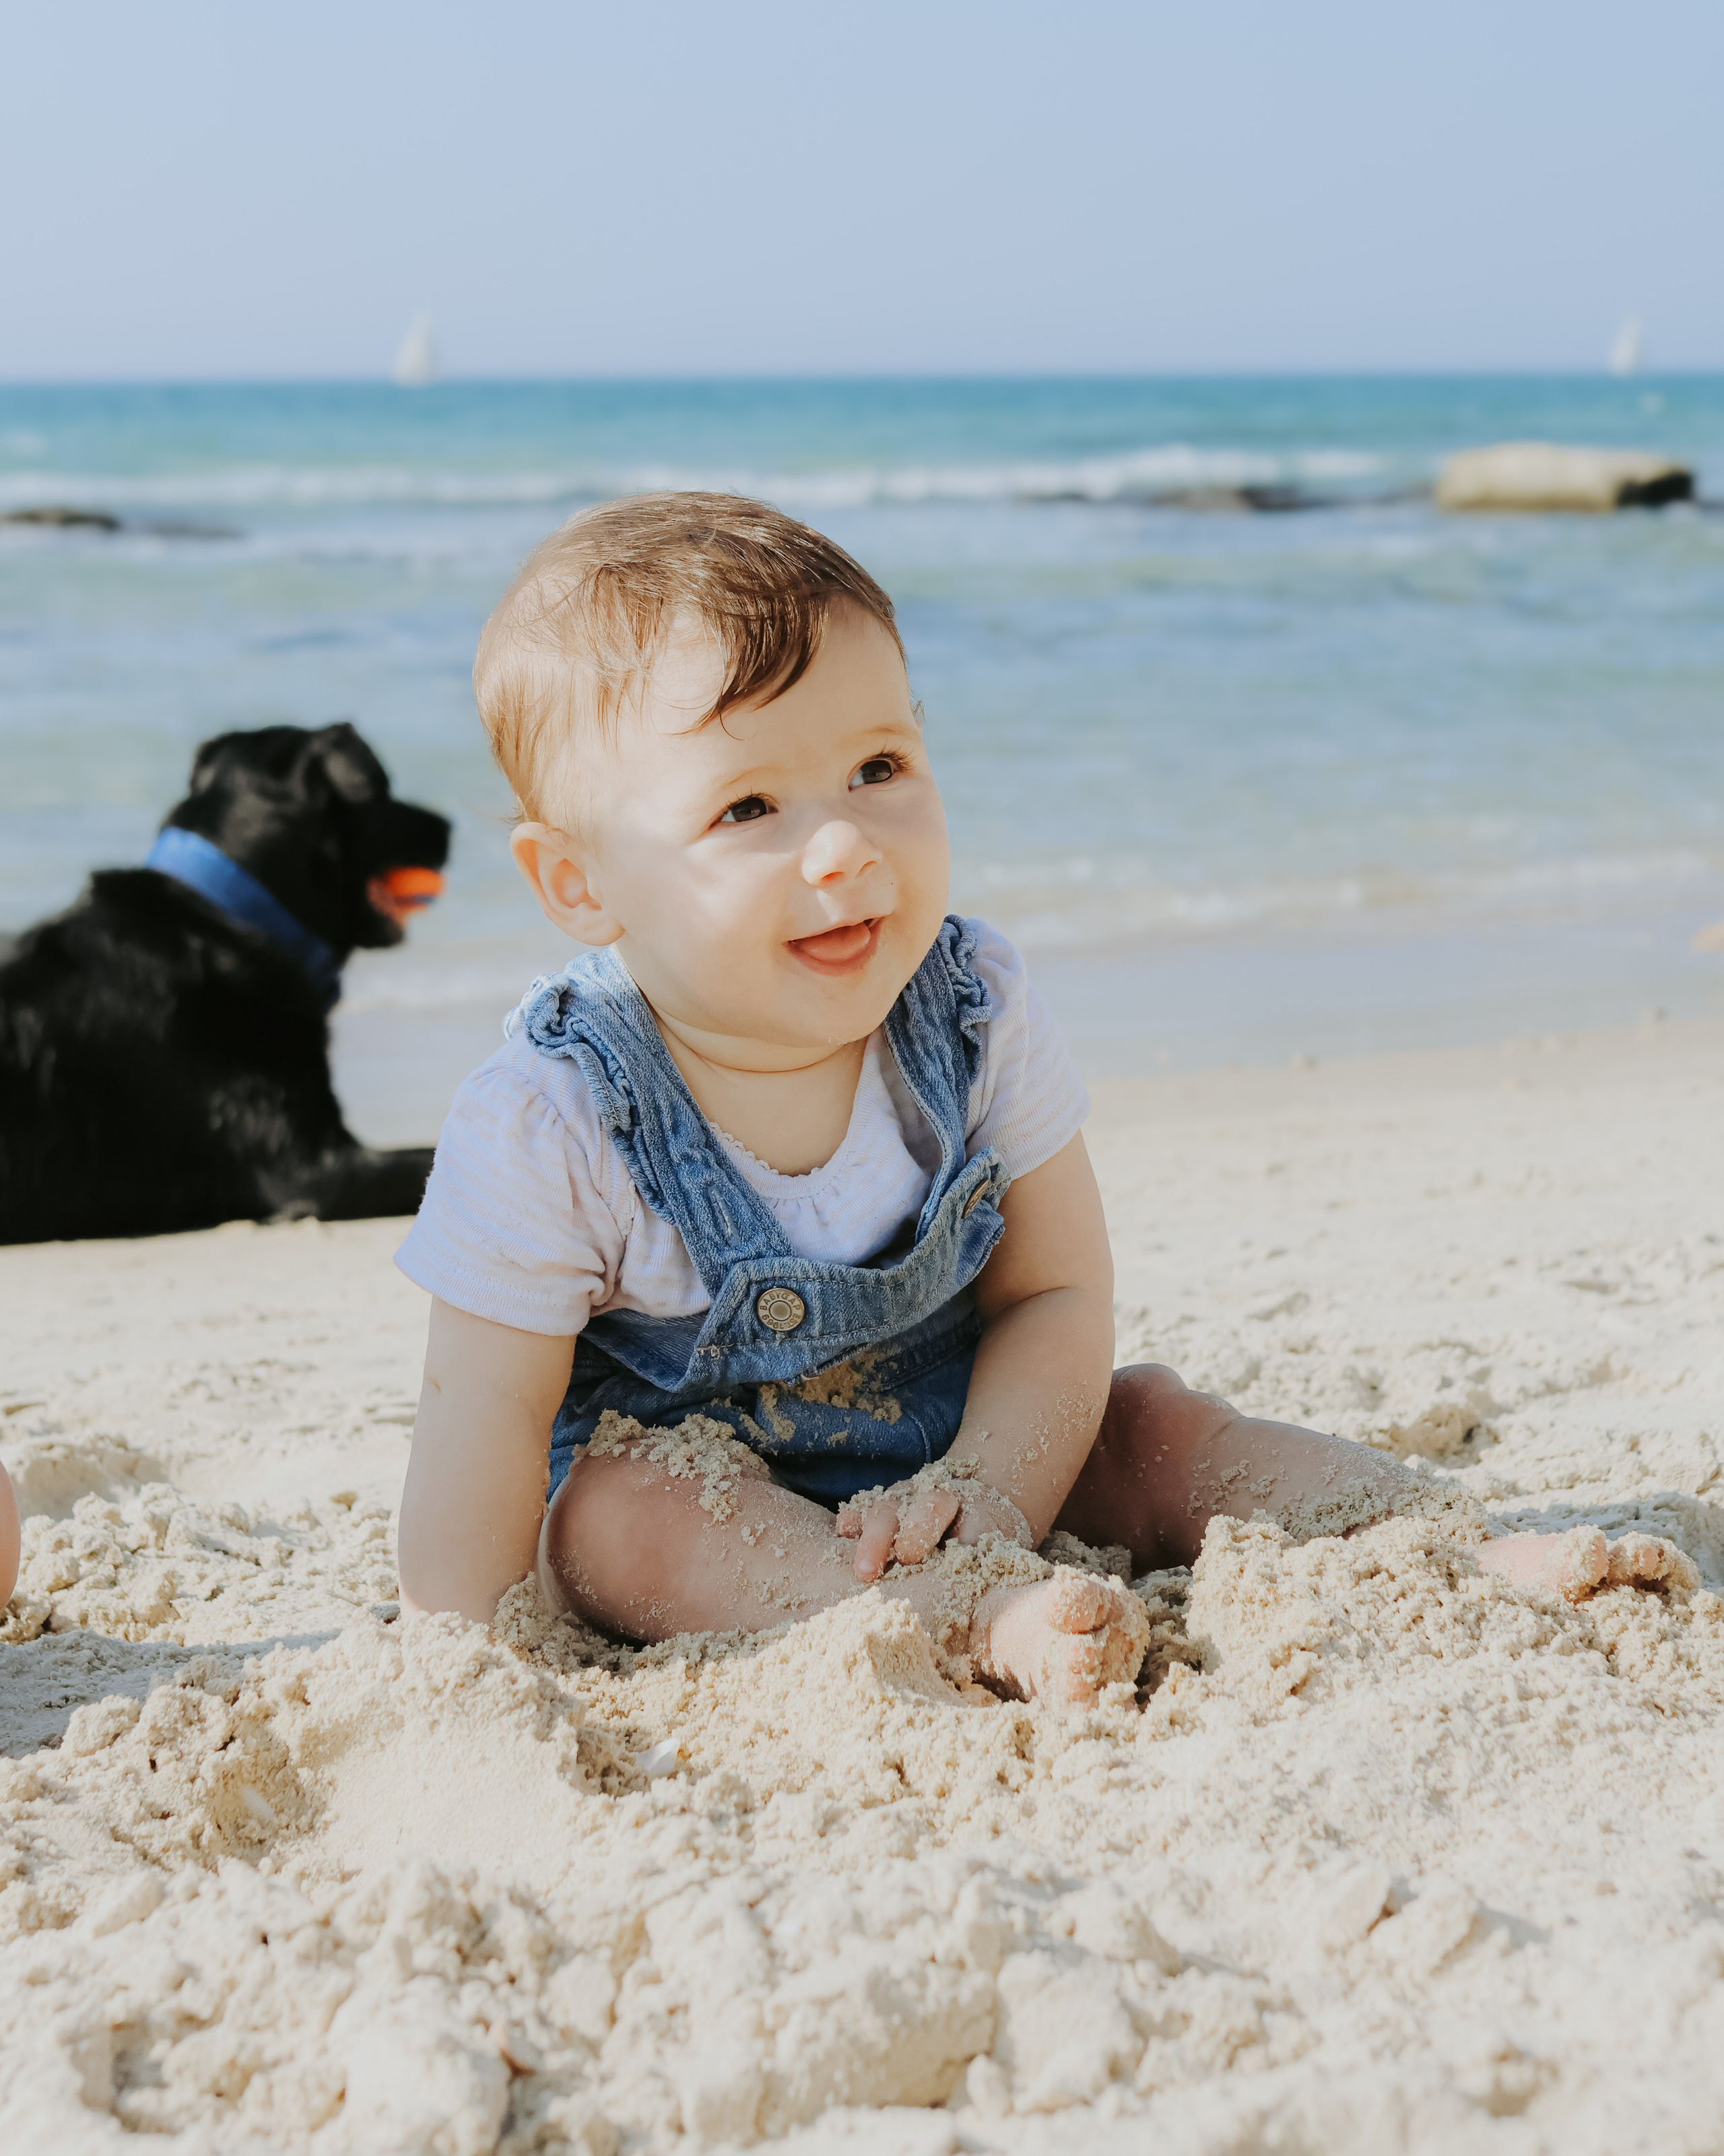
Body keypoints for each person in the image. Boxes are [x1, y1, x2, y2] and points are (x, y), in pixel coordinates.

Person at [393, 494, 1678, 1708]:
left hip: (980, 1445)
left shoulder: (969, 1007)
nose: (844, 845)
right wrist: (455, 1655)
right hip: (707, 1507)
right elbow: (482, 1423)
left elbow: (1058, 1296)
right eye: (748, 806)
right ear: (577, 885)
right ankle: (961, 1623)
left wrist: (994, 1489)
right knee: (618, 1512)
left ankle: (1438, 1548)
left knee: (1160, 1423)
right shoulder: (557, 1114)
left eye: (879, 764)